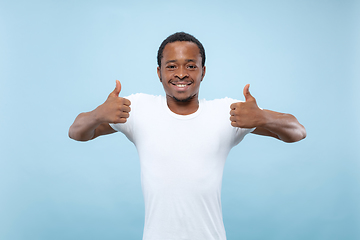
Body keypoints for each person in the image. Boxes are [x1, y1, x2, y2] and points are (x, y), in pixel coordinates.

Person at [69, 32, 306, 240]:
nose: (181, 74)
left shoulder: (227, 113)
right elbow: (77, 132)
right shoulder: (138, 108)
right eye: (172, 66)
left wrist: (263, 118)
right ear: (159, 72)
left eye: (191, 66)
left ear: (203, 72)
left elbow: (297, 131)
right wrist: (98, 114)